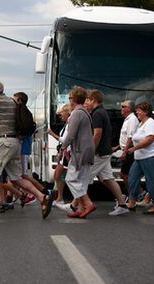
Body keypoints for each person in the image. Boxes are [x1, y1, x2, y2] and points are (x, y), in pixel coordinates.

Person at [0, 77, 53, 219]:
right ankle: (42, 197)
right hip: (14, 142)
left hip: (4, 142)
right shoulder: (11, 101)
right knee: (17, 178)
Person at [84, 89, 129, 216]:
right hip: (105, 151)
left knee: (84, 178)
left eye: (88, 99)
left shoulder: (97, 114)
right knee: (108, 178)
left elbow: (97, 134)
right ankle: (122, 204)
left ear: (93, 100)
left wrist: (91, 151)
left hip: (99, 153)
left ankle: (77, 206)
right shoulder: (102, 112)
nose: (86, 102)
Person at [60, 87, 95, 218]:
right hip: (88, 150)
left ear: (73, 99)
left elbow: (70, 136)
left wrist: (62, 149)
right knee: (82, 180)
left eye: (69, 98)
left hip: (80, 150)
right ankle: (80, 208)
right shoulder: (85, 112)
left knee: (71, 179)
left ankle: (87, 203)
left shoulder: (76, 113)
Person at [127, 102, 154, 214]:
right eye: (137, 110)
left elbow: (149, 139)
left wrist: (134, 148)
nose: (137, 112)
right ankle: (132, 202)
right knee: (132, 178)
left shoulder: (150, 123)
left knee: (151, 181)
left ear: (146, 112)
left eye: (139, 110)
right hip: (140, 157)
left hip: (151, 156)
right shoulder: (141, 124)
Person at [112, 100, 139, 195]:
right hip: (127, 150)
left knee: (125, 174)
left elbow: (131, 138)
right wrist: (118, 147)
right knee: (127, 174)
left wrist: (124, 152)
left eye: (123, 106)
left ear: (129, 109)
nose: (121, 109)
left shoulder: (132, 120)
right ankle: (136, 194)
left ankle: (135, 194)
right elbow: (126, 137)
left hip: (130, 151)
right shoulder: (127, 119)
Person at [47, 104, 71, 207]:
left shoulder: (70, 124)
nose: (60, 117)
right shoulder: (67, 124)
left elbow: (64, 140)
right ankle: (59, 197)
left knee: (67, 177)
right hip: (65, 152)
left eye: (62, 114)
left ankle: (77, 201)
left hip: (69, 153)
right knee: (58, 175)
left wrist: (52, 134)